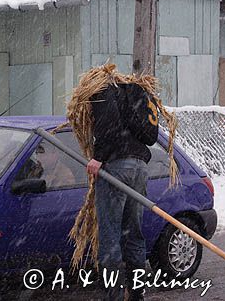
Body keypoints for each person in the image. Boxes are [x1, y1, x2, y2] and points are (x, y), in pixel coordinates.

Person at [86, 83, 151, 301]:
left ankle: (112, 296)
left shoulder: (100, 91)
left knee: (110, 235)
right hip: (140, 167)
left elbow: (108, 126)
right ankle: (137, 294)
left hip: (116, 167)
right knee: (133, 234)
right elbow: (147, 135)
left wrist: (98, 156)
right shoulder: (131, 94)